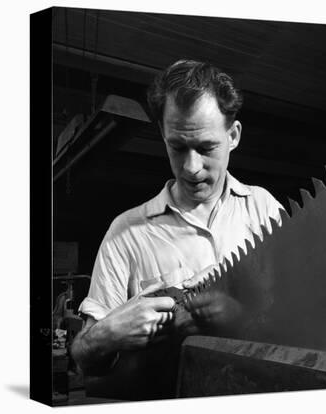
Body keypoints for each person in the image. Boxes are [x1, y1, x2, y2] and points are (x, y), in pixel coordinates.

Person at [70, 60, 284, 385]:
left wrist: (241, 320)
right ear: (163, 135)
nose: (191, 167)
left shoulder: (264, 210)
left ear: (234, 135)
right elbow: (86, 362)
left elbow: (308, 322)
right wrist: (107, 334)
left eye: (206, 147)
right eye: (178, 147)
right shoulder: (125, 234)